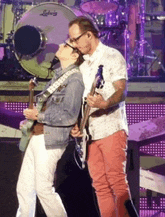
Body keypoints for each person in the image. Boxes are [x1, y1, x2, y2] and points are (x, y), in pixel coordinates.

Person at [69, 16, 138, 217]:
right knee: (100, 185)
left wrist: (105, 103)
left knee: (116, 181)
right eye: (71, 40)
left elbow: (122, 91)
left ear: (89, 35)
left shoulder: (111, 56)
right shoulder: (81, 65)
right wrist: (77, 125)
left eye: (76, 39)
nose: (74, 44)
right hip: (89, 135)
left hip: (111, 129)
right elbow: (82, 102)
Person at [16, 40, 84, 217]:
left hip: (50, 139)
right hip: (38, 136)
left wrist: (38, 117)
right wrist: (31, 123)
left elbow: (69, 115)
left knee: (43, 189)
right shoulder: (58, 76)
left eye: (66, 45)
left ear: (75, 55)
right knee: (24, 188)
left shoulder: (75, 79)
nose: (61, 45)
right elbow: (47, 107)